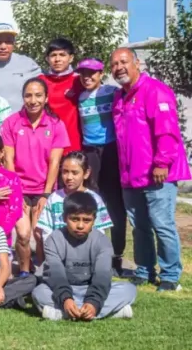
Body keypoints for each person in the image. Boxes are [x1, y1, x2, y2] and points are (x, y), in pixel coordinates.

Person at [110, 47, 190, 291]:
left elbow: (167, 131)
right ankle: (144, 269)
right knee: (140, 226)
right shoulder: (119, 97)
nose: (119, 67)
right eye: (114, 64)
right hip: (131, 176)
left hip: (157, 174)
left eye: (124, 62)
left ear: (137, 64)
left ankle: (170, 275)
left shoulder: (155, 91)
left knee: (161, 224)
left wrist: (162, 163)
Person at [0, 77, 69, 275]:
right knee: (23, 234)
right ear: (23, 98)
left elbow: (55, 162)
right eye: (28, 95)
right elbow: (8, 160)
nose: (33, 100)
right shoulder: (11, 123)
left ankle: (43, 272)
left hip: (43, 191)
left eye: (38, 95)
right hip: (18, 190)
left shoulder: (56, 124)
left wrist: (46, 195)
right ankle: (24, 273)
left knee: (41, 235)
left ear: (46, 98)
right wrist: (16, 192)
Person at [32, 191, 136, 321]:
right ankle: (110, 313)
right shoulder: (54, 239)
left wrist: (93, 302)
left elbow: (102, 275)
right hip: (65, 288)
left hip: (90, 288)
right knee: (40, 292)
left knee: (128, 290)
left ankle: (64, 314)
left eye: (86, 220)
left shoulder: (102, 241)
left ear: (94, 220)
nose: (80, 225)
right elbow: (56, 273)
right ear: (65, 218)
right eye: (74, 219)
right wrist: (66, 299)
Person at [76, 57, 128, 275]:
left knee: (115, 204)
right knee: (93, 202)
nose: (87, 77)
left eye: (92, 73)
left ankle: (117, 255)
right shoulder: (79, 97)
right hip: (90, 152)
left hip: (111, 150)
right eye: (83, 74)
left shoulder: (112, 92)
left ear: (101, 73)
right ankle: (93, 253)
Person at [37, 152, 113, 250]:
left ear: (86, 173)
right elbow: (47, 231)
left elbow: (100, 231)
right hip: (59, 252)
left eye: (75, 172)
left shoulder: (95, 199)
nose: (69, 177)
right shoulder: (54, 198)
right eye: (65, 172)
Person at [38, 38, 83, 155]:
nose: (57, 59)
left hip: (73, 144)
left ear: (71, 58)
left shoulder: (79, 80)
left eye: (62, 55)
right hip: (46, 144)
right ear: (47, 59)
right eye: (53, 55)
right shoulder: (41, 81)